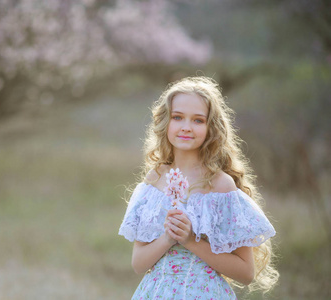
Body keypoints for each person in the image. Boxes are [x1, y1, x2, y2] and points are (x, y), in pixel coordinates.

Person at [118, 76, 279, 299]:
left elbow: (246, 273)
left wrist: (189, 239)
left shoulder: (221, 185)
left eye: (197, 120)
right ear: (166, 122)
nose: (186, 127)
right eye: (178, 117)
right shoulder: (154, 180)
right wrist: (168, 237)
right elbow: (138, 264)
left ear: (210, 127)